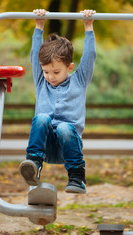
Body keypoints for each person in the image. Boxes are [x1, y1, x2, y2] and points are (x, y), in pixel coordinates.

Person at [19, 9, 96, 194]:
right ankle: (34, 164)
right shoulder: (41, 81)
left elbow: (89, 57)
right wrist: (39, 25)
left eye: (56, 72)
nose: (50, 77)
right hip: (44, 146)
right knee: (42, 118)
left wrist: (88, 26)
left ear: (69, 67)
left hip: (68, 146)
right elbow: (34, 55)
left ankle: (77, 177)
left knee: (64, 127)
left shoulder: (79, 80)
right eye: (46, 72)